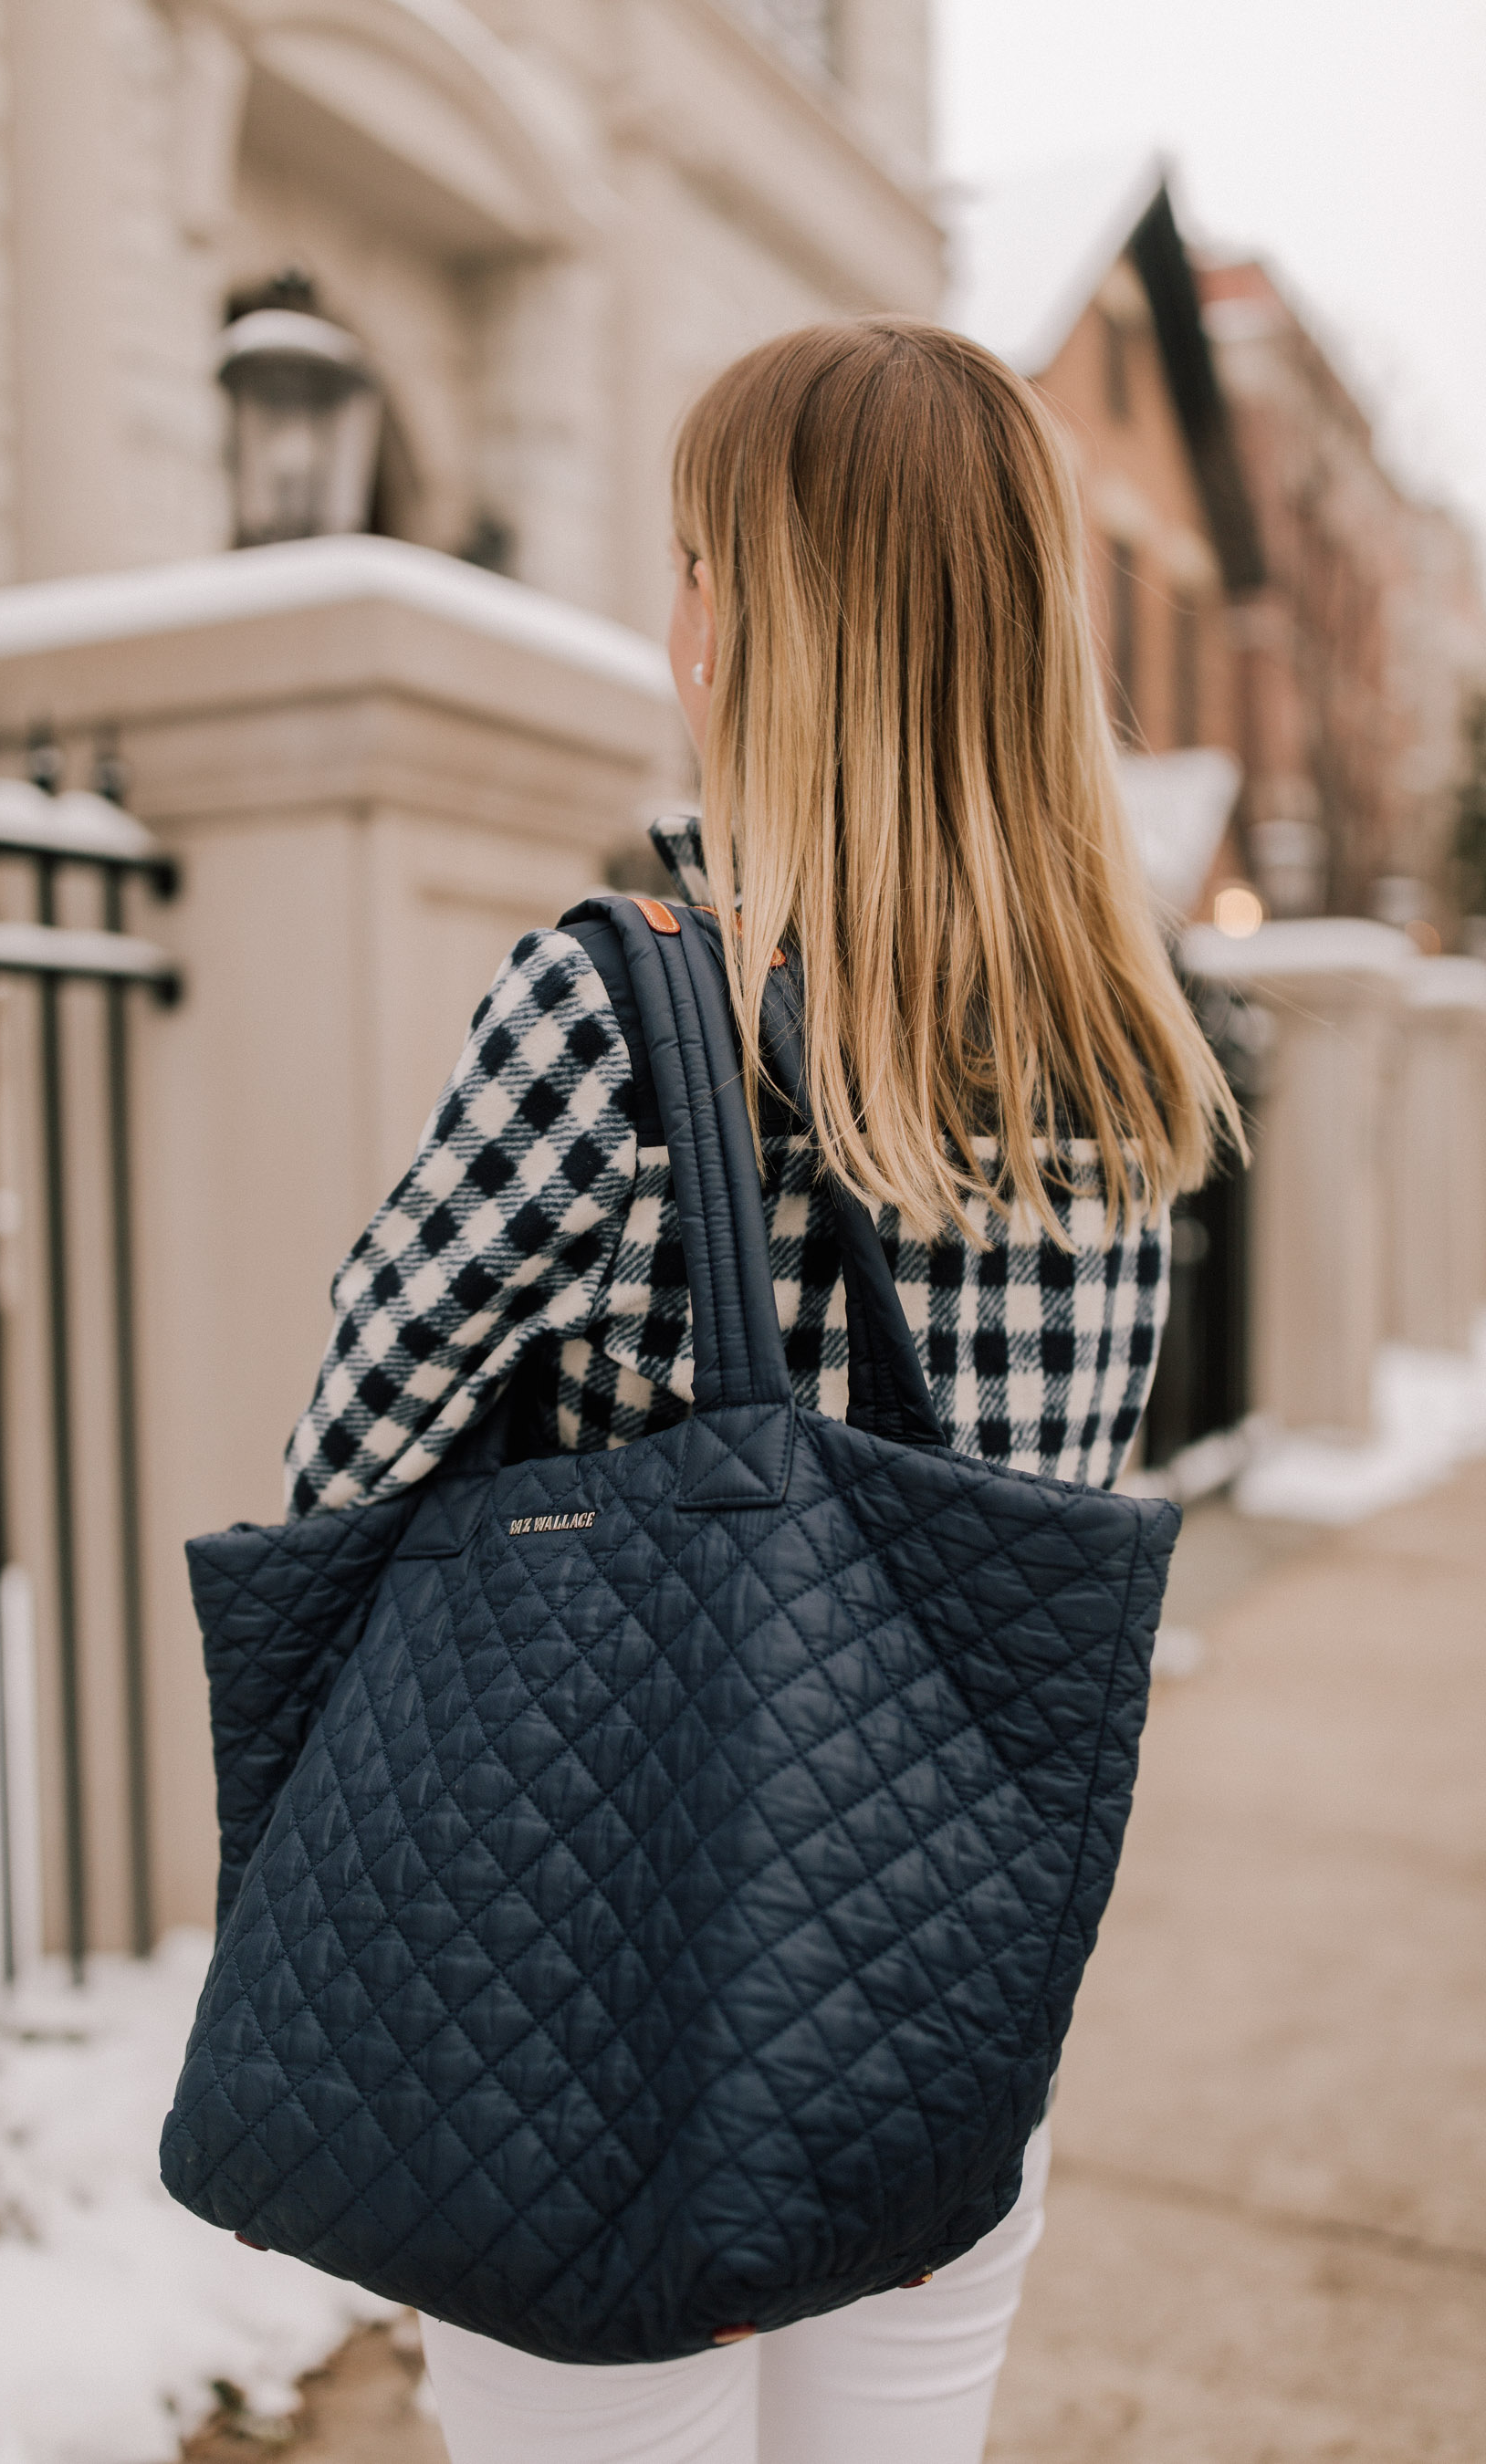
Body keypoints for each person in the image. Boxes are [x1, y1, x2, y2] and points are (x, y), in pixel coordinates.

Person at [283, 318, 1238, 2464]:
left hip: (588, 2028)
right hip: (939, 2030)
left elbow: (348, 1460)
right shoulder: (1127, 1077)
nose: (675, 612)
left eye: (701, 558)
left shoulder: (613, 1018)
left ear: (764, 626)